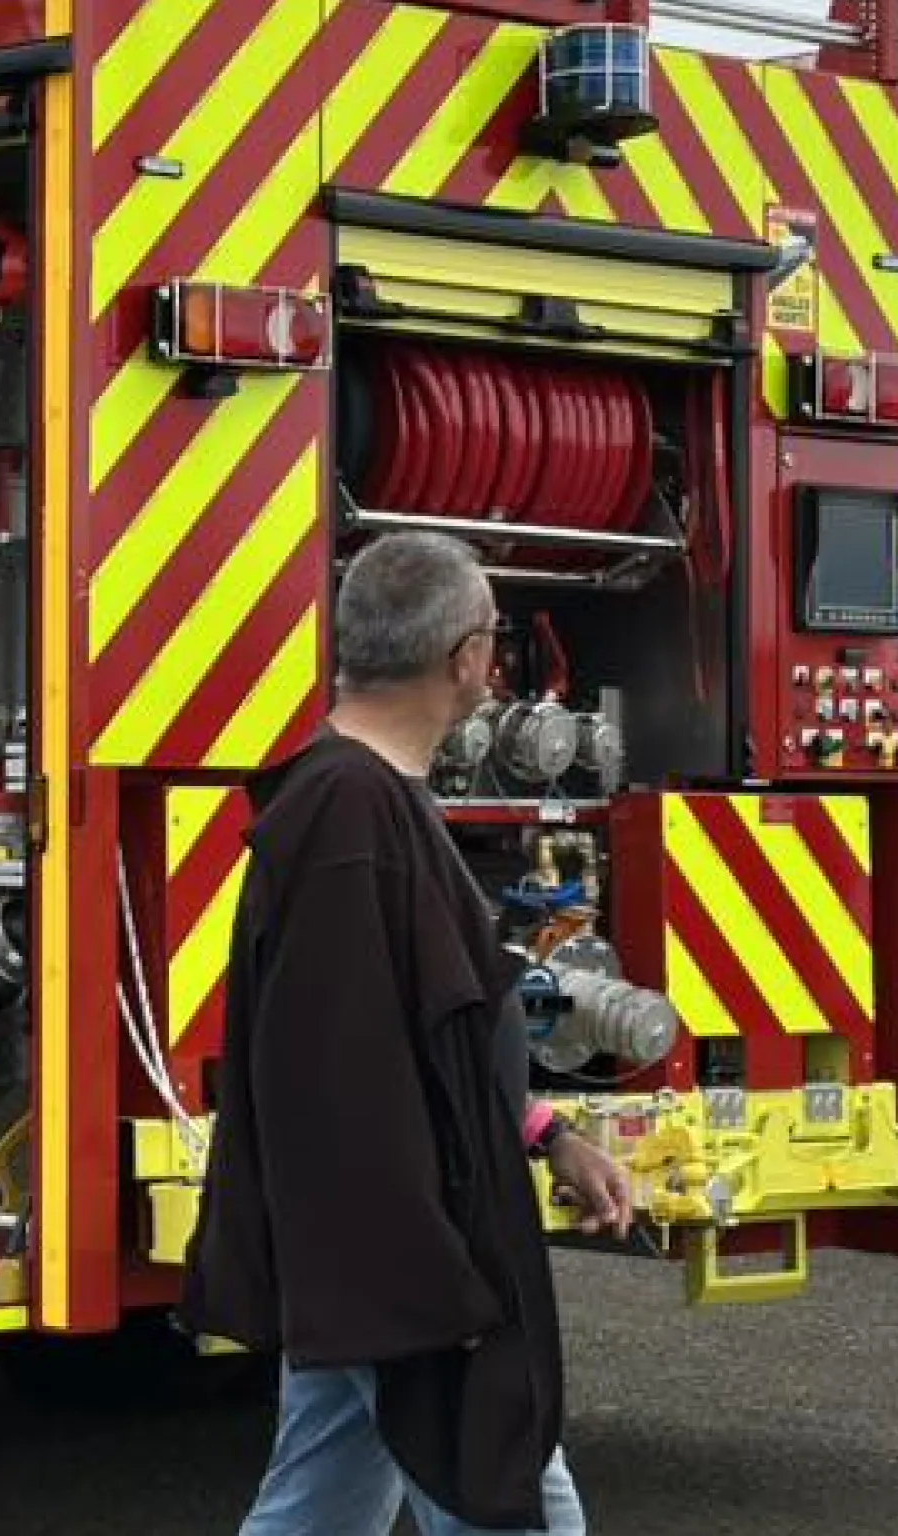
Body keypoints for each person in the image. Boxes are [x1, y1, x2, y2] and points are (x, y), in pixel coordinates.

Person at [186, 532, 633, 1536]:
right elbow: (335, 1083)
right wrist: (426, 1283)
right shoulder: (348, 817)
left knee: (319, 1503)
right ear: (465, 656)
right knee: (511, 1499)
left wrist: (544, 1133)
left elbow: (425, 1036)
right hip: (402, 1264)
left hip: (378, 1262)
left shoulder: (364, 803)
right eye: (494, 641)